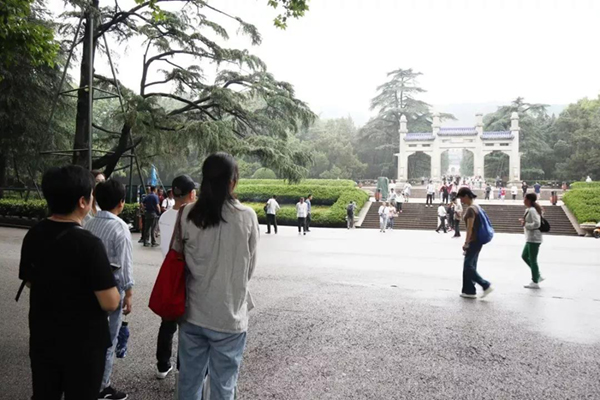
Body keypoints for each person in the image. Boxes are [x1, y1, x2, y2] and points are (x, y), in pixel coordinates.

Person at [18, 165, 120, 400]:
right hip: (83, 344)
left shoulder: (33, 234)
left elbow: (30, 281)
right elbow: (110, 302)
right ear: (83, 202)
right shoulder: (90, 244)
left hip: (43, 336)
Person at [174, 153, 259, 399]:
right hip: (229, 316)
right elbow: (249, 268)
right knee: (223, 387)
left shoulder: (188, 214)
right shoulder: (247, 216)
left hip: (193, 313)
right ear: (232, 181)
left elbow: (179, 259)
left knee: (189, 383)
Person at [84, 179, 134, 400]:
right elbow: (125, 265)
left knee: (90, 336)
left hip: (89, 289)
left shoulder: (89, 224)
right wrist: (129, 294)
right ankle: (102, 387)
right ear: (121, 202)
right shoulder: (120, 227)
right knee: (109, 340)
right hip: (112, 291)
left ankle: (87, 380)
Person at [156, 175, 198, 380]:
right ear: (192, 194)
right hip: (188, 275)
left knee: (167, 322)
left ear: (172, 193)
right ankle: (183, 366)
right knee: (187, 325)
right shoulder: (192, 217)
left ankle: (162, 365)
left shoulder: (164, 217)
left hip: (169, 273)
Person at [457, 187, 494, 299]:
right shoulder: (477, 206)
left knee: (468, 266)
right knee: (471, 265)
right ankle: (469, 290)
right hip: (478, 240)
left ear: (466, 196)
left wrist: (466, 242)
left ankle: (485, 285)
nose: (461, 201)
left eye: (461, 198)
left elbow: (470, 228)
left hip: (473, 240)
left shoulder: (470, 209)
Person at [519, 193, 545, 289]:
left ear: (529, 200)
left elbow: (537, 224)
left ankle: (535, 281)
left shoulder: (532, 210)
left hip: (534, 238)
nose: (523, 200)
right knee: (524, 256)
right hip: (530, 238)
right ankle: (537, 274)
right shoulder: (530, 209)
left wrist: (526, 225)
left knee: (533, 260)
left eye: (525, 198)